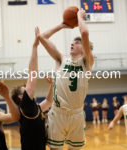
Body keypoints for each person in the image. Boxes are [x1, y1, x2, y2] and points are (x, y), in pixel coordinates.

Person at [38, 8, 94, 150]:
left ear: (85, 48)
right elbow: (42, 37)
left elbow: (85, 33)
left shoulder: (87, 62)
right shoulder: (61, 59)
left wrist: (80, 17)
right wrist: (62, 25)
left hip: (76, 114)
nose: (72, 43)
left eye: (77, 42)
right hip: (58, 113)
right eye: (73, 42)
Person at [11, 27, 53, 150]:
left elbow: (49, 101)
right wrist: (35, 47)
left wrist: (52, 85)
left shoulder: (35, 108)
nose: (27, 88)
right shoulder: (25, 105)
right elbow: (32, 73)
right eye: (24, 88)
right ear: (20, 97)